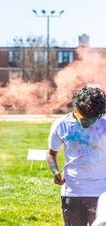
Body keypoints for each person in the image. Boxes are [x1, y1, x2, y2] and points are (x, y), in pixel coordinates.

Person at [46, 86, 106, 226]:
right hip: (72, 193)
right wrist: (55, 172)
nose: (88, 123)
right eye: (84, 118)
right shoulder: (61, 125)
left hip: (101, 193)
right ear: (76, 108)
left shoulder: (104, 125)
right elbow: (51, 154)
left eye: (93, 119)